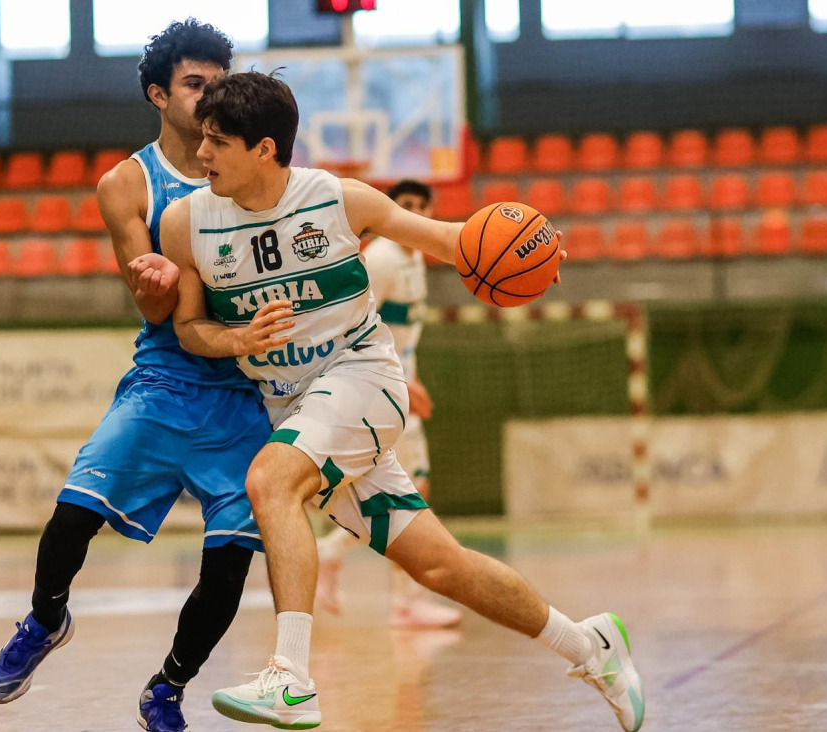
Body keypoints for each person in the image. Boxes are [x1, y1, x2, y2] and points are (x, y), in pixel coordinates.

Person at [138, 72, 645, 732]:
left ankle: (290, 679)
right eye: (201, 138)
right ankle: (591, 646)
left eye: (217, 141)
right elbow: (188, 329)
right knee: (441, 567)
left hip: (364, 382)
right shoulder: (185, 223)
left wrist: (535, 243)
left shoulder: (339, 201)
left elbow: (452, 239)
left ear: (265, 149)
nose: (200, 153)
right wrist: (235, 338)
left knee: (269, 481)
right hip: (297, 413)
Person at [0, 21, 271, 732]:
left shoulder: (246, 169)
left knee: (230, 565)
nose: (209, 99)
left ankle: (167, 688)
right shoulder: (127, 183)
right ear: (157, 93)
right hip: (168, 377)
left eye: (217, 85)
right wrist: (159, 279)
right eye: (195, 85)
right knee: (73, 513)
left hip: (246, 389)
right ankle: (46, 620)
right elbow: (153, 305)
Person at [314, 178, 461, 629]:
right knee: (411, 493)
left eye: (421, 204)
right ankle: (404, 603)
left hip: (401, 384)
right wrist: (402, 381)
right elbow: (354, 322)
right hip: (381, 387)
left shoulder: (416, 259)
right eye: (405, 205)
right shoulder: (381, 256)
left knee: (413, 490)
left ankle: (334, 556)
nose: (414, 210)